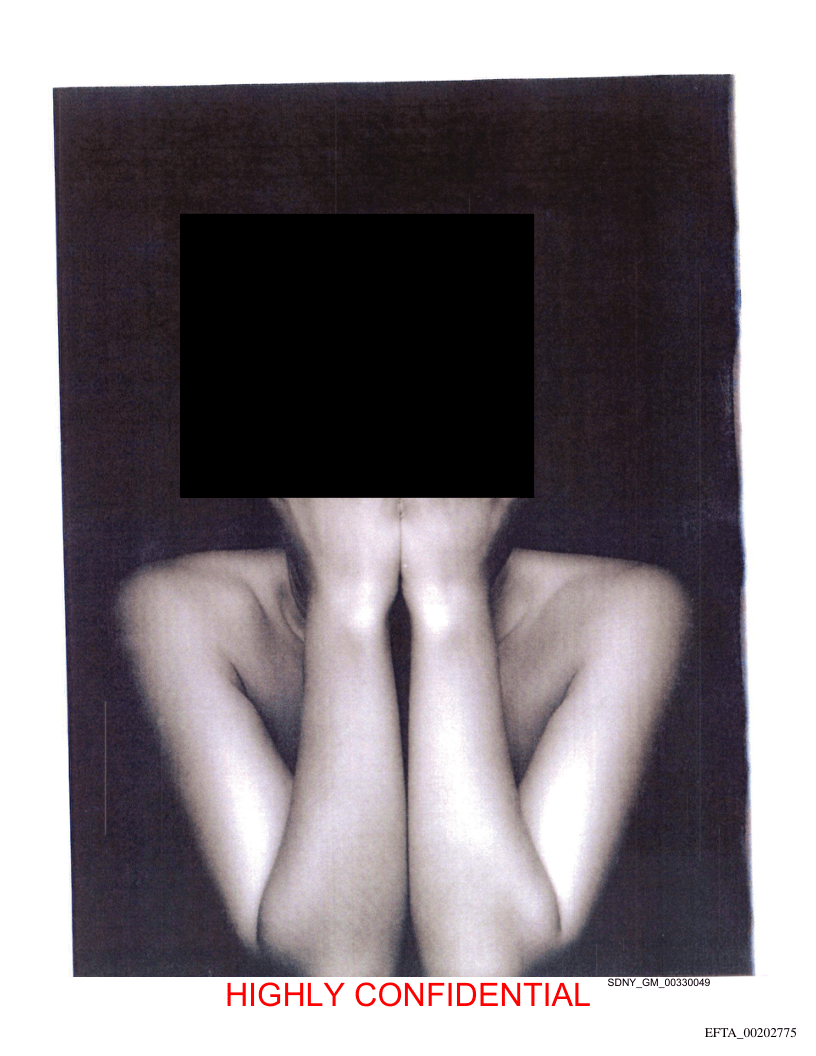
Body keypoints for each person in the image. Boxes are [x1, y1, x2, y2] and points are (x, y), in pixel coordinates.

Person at [117, 498, 689, 976]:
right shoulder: (182, 610)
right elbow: (336, 975)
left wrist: (448, 601)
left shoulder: (620, 611)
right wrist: (347, 605)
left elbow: (482, 976)